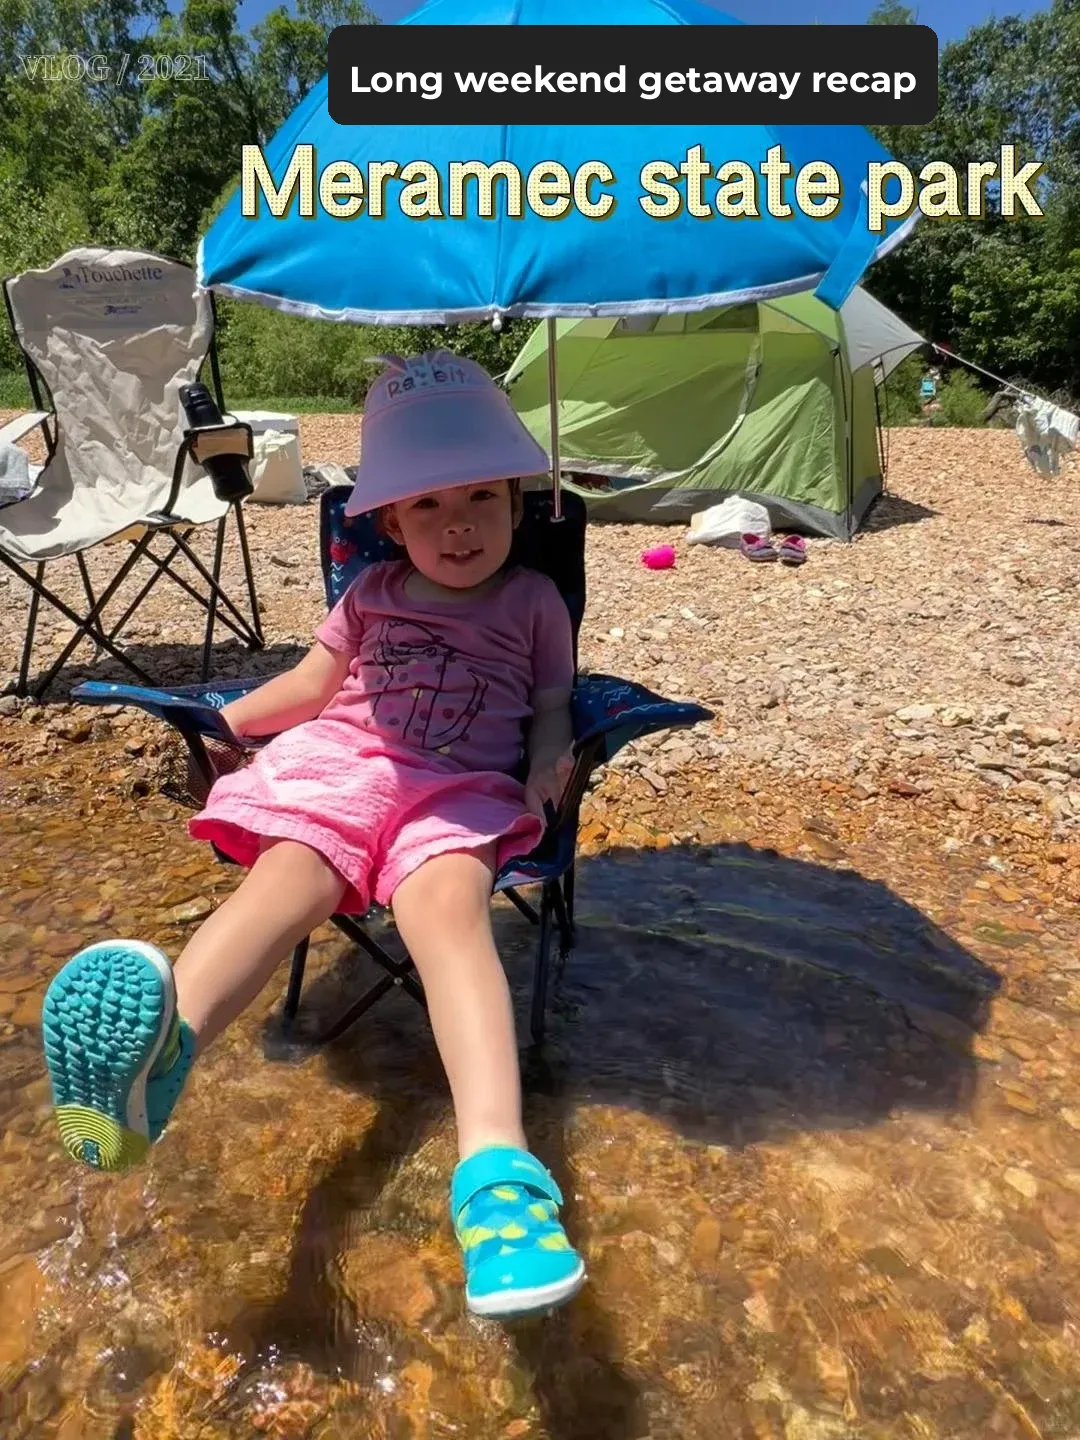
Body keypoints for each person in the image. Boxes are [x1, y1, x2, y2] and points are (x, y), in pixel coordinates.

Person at [41, 351, 586, 1320]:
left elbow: (553, 705)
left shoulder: (532, 602)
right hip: (341, 765)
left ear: (516, 500)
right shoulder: (369, 596)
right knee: (282, 882)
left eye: (481, 498)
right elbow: (307, 691)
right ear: (387, 521)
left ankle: (498, 1176)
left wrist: (551, 759)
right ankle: (163, 1059)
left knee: (448, 915)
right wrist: (221, 718)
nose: (458, 523)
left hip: (454, 790)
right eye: (428, 506)